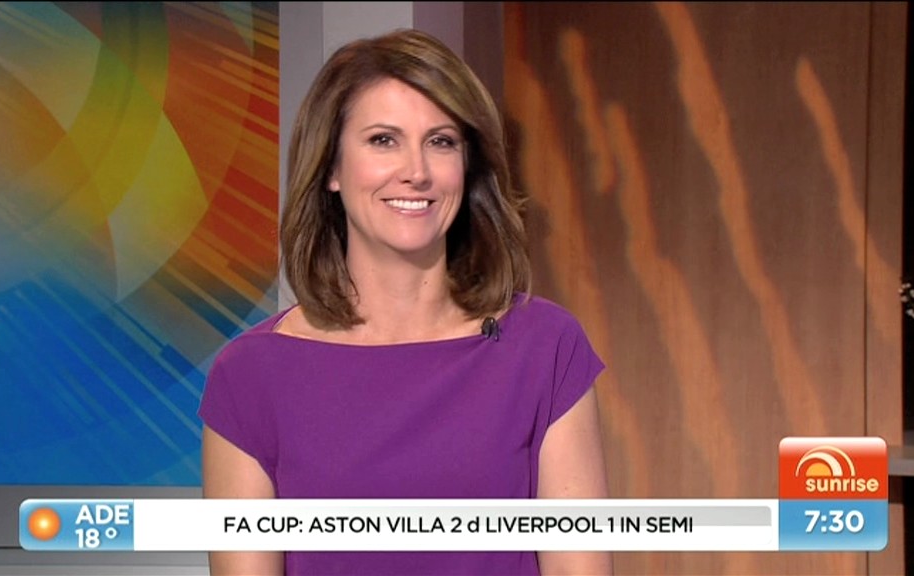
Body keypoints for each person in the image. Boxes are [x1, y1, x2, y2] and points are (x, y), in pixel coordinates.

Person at [199, 28, 611, 575]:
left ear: (467, 165)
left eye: (441, 142)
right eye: (383, 140)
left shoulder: (545, 348)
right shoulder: (250, 375)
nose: (416, 171)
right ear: (331, 169)